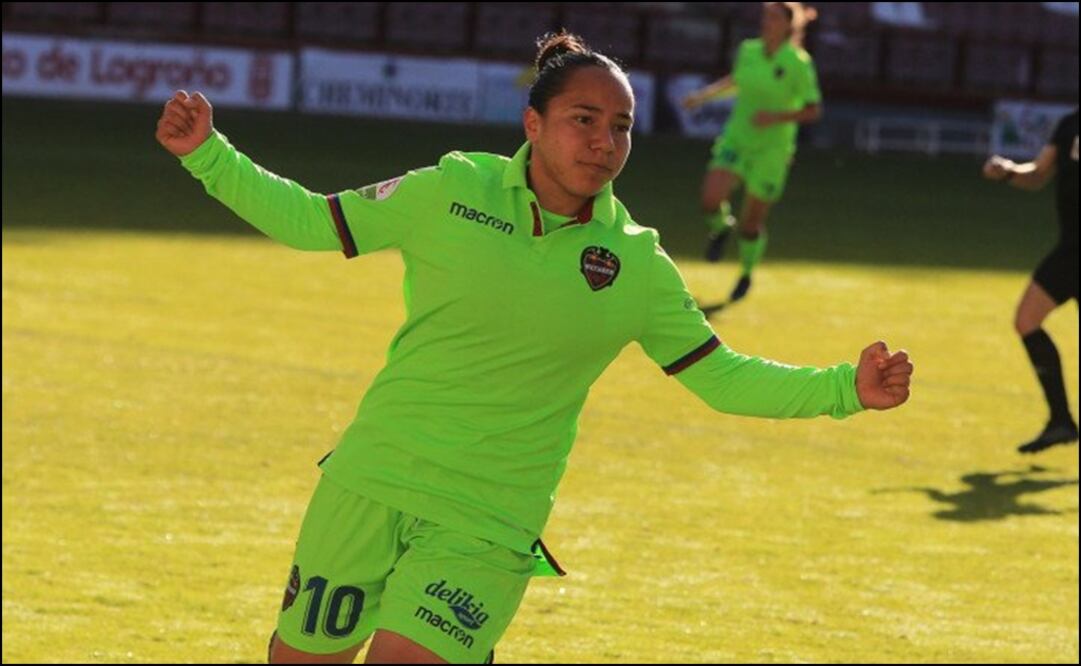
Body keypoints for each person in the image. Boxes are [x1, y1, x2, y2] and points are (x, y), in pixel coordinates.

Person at [156, 31, 912, 665]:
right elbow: (312, 221)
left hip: (486, 522)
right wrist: (207, 155)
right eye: (583, 119)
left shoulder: (636, 264)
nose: (603, 141)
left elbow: (720, 376)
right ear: (531, 123)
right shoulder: (450, 190)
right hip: (370, 480)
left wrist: (844, 388)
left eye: (619, 126)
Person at [683, 2, 822, 303]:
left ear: (789, 25)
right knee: (710, 200)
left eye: (774, 17)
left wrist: (775, 117)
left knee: (751, 224)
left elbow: (812, 110)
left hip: (772, 150)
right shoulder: (749, 50)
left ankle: (746, 273)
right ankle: (720, 228)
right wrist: (703, 96)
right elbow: (737, 81)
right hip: (738, 139)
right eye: (765, 16)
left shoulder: (798, 63)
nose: (767, 21)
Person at [982, 108, 1079, 454]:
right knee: (1026, 321)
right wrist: (1009, 172)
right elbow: (1039, 174)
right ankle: (1061, 422)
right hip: (1070, 251)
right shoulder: (1070, 123)